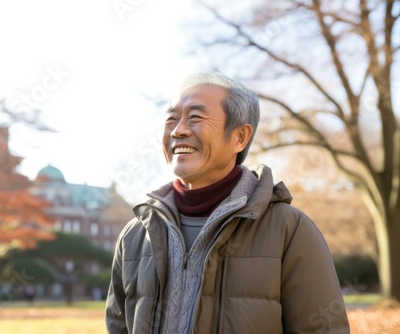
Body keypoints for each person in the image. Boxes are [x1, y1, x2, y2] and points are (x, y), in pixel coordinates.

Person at [105, 71, 350, 333]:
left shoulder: (289, 230)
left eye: (195, 117)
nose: (178, 130)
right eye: (171, 119)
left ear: (240, 137)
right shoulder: (135, 234)